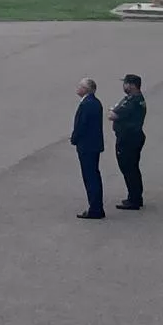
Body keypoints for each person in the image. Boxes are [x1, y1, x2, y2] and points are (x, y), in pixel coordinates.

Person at [111, 74, 147, 210]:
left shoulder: (133, 101)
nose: (124, 86)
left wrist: (114, 113)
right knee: (133, 168)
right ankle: (136, 196)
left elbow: (114, 114)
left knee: (128, 168)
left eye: (125, 83)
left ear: (132, 85)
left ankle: (134, 199)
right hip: (133, 137)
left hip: (128, 139)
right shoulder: (135, 99)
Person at [71, 78, 105, 219]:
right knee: (94, 175)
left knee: (90, 177)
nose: (77, 88)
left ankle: (95, 208)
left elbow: (81, 125)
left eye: (80, 86)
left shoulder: (87, 104)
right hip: (94, 144)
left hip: (87, 146)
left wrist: (74, 139)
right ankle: (96, 206)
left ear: (86, 89)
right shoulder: (95, 102)